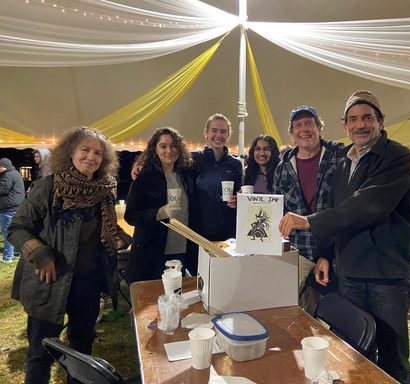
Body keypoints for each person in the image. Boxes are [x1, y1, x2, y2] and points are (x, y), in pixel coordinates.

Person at [279, 90, 410, 384]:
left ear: (380, 121)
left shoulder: (396, 156)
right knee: (354, 352)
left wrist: (308, 221)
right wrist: (326, 254)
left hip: (385, 273)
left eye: (367, 118)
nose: (360, 125)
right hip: (350, 269)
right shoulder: (344, 161)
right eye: (353, 119)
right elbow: (338, 210)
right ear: (345, 126)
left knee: (392, 358)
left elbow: (367, 206)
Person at [8, 126, 131, 384]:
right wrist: (40, 253)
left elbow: (106, 228)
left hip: (86, 284)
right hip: (49, 284)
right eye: (85, 149)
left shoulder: (103, 192)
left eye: (98, 153)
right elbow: (17, 228)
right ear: (70, 152)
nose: (91, 157)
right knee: (40, 354)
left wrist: (119, 237)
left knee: (81, 352)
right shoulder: (48, 188)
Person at [272, 105, 344, 314]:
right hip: (300, 250)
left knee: (332, 312)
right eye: (298, 125)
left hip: (336, 250)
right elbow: (278, 208)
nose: (304, 129)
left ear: (319, 128)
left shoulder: (338, 158)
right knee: (288, 306)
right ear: (292, 133)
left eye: (309, 124)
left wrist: (327, 254)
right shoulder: (283, 167)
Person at [124, 127, 195, 282]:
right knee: (152, 301)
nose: (169, 150)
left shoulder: (185, 174)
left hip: (181, 249)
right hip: (153, 251)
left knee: (177, 299)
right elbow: (130, 216)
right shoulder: (145, 176)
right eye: (163, 146)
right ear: (155, 149)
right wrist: (159, 213)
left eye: (173, 145)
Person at [191, 113, 243, 242]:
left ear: (228, 135)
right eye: (214, 131)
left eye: (223, 131)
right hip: (198, 231)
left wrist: (238, 200)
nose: (218, 135)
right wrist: (141, 164)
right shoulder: (193, 159)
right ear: (206, 133)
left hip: (228, 231)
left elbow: (240, 194)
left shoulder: (235, 164)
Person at [0, 157, 25, 262]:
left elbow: (3, 190)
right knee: (14, 231)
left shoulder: (8, 175)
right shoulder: (14, 173)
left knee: (7, 232)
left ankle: (7, 257)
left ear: (4, 167)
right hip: (15, 207)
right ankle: (17, 252)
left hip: (8, 208)